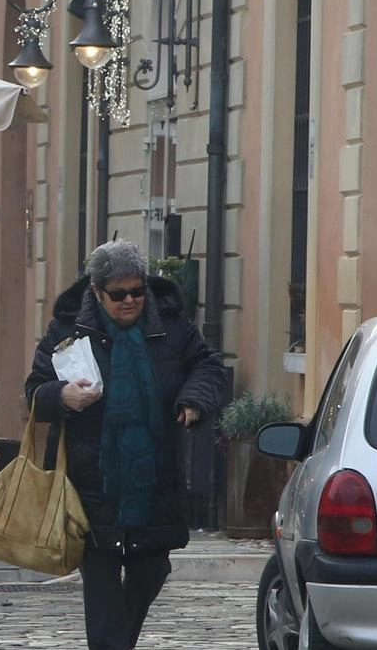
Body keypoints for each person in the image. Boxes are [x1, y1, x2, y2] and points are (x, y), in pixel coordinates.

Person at [24, 240, 226, 650]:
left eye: (137, 291)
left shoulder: (170, 324)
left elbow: (207, 365)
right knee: (100, 584)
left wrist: (193, 399)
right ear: (97, 292)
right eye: (118, 294)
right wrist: (61, 395)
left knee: (150, 570)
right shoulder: (68, 330)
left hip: (154, 474)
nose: (130, 300)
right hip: (91, 476)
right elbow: (34, 390)